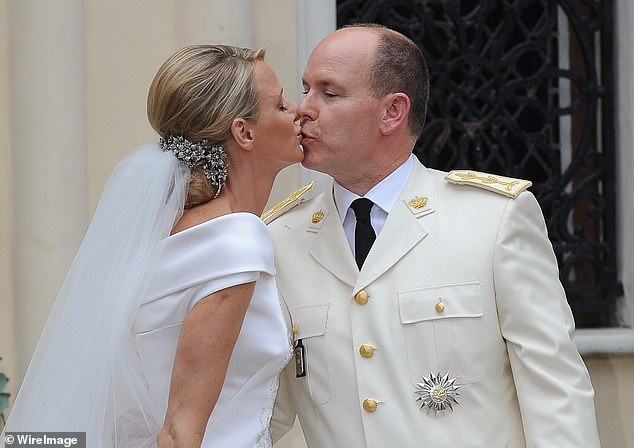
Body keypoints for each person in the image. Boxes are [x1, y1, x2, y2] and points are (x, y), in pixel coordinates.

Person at [268, 24, 601, 447]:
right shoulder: (281, 236)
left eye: (329, 93)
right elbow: (261, 409)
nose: (303, 109)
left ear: (393, 111)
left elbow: (556, 391)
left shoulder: (493, 219)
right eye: (305, 89)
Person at [1, 44, 303, 447]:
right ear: (243, 132)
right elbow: (180, 431)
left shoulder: (168, 236)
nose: (299, 111)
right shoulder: (236, 240)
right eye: (281, 105)